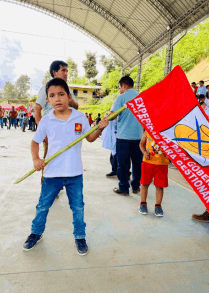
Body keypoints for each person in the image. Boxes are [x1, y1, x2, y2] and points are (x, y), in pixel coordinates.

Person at [22, 78, 108, 254]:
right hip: (52, 174)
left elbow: (90, 138)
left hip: (75, 173)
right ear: (47, 100)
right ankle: (36, 233)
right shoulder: (46, 120)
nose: (57, 99)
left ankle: (80, 237)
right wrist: (36, 159)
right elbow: (35, 141)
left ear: (69, 97)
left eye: (61, 94)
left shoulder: (80, 117)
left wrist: (100, 128)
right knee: (43, 206)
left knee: (77, 207)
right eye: (52, 96)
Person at [34, 60, 78, 188]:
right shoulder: (47, 88)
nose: (66, 73)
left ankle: (59, 185)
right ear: (54, 72)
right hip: (51, 130)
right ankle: (47, 187)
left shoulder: (67, 89)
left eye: (67, 71)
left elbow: (76, 106)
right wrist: (42, 132)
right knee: (49, 160)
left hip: (66, 131)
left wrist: (69, 99)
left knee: (64, 159)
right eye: (63, 70)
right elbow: (37, 108)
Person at [110, 76, 143, 196]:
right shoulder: (142, 98)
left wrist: (108, 115)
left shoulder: (121, 97)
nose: (119, 90)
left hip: (123, 137)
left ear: (123, 85)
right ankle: (136, 186)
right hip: (138, 137)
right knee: (137, 164)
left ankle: (124, 187)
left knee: (123, 164)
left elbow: (112, 116)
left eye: (119, 87)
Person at [139, 131, 169, 216]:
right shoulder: (148, 130)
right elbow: (141, 144)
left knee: (160, 186)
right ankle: (143, 203)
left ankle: (158, 206)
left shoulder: (167, 131)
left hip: (162, 164)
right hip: (148, 162)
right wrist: (144, 152)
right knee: (144, 183)